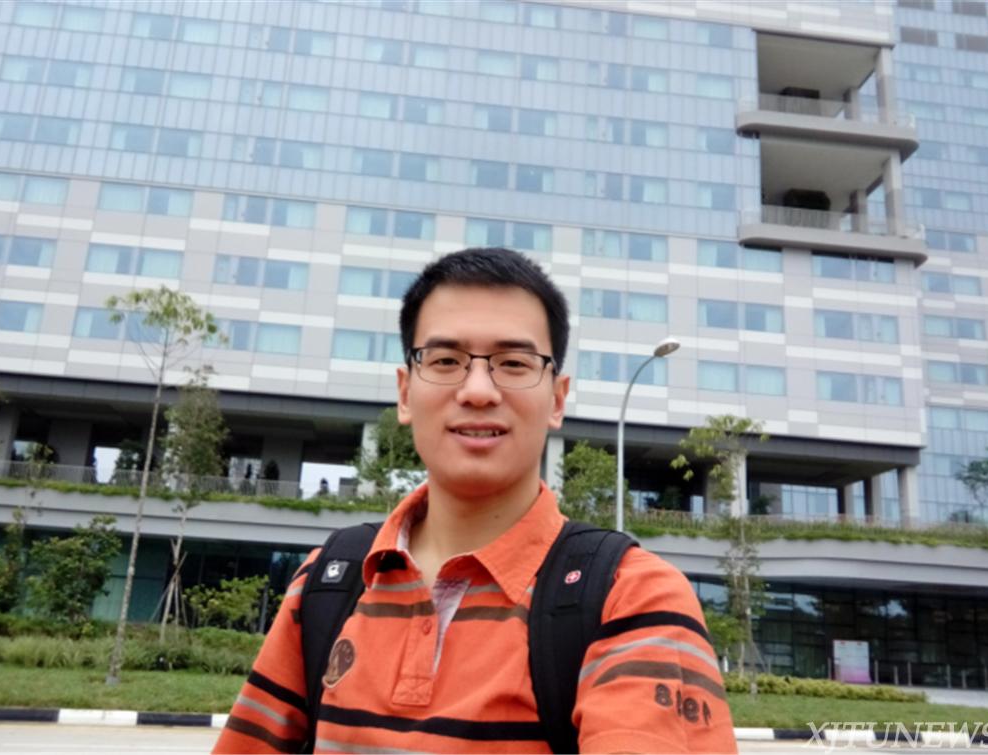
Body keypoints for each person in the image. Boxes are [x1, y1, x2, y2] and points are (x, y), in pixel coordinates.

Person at [213, 247, 737, 754]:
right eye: (446, 360)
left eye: (514, 363)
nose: (478, 390)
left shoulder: (632, 596)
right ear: (405, 392)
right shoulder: (327, 581)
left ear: (557, 399)